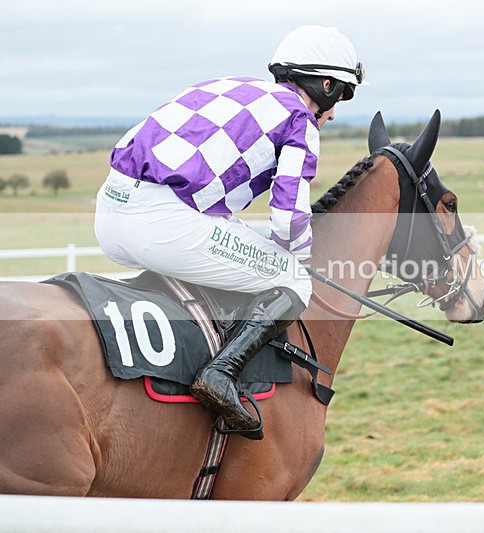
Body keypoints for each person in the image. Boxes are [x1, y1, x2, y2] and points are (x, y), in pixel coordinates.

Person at [94, 25, 366, 438]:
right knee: (291, 277)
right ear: (325, 85)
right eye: (340, 96)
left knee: (238, 238)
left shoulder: (228, 84)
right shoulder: (299, 119)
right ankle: (221, 373)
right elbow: (289, 218)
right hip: (159, 222)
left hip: (111, 208)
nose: (333, 113)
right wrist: (303, 262)